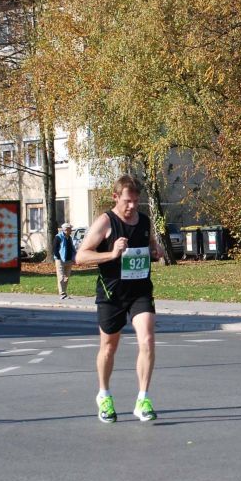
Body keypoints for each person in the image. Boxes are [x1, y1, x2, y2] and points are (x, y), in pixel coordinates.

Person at [76, 175, 164, 423]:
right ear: (116, 197)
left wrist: (157, 251)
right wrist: (112, 253)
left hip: (140, 291)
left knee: (147, 339)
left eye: (136, 201)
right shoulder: (106, 222)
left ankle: (143, 399)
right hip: (112, 293)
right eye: (127, 201)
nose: (132, 206)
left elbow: (151, 245)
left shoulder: (144, 221)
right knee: (109, 347)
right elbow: (81, 256)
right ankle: (104, 394)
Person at [53, 222, 76, 299]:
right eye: (70, 229)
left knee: (66, 277)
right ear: (65, 230)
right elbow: (55, 249)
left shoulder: (69, 238)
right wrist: (58, 257)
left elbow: (71, 247)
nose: (71, 231)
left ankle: (64, 292)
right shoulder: (58, 237)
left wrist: (74, 256)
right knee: (61, 276)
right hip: (60, 260)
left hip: (69, 260)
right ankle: (61, 293)